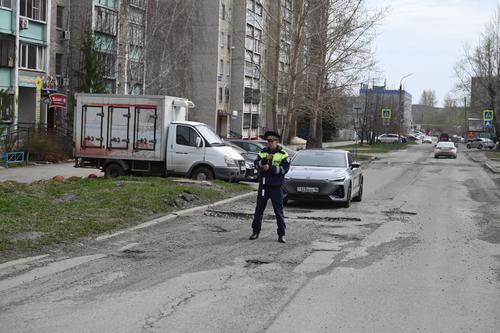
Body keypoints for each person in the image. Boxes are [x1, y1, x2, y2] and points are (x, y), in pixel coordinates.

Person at [249, 130, 290, 243]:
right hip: (264, 186)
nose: (269, 143)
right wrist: (264, 160)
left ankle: (281, 234)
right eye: (268, 141)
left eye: (272, 141)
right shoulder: (263, 152)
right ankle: (255, 231)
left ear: (277, 142)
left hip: (276, 187)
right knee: (259, 210)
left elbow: (284, 170)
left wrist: (270, 168)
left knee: (278, 211)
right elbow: (256, 164)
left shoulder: (283, 154)